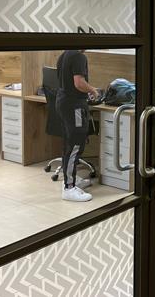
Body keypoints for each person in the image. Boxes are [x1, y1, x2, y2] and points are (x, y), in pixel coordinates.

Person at [56, 50, 99, 202]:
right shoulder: (79, 56)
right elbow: (79, 83)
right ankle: (69, 188)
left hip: (63, 101)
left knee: (69, 144)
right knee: (75, 145)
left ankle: (71, 179)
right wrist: (93, 90)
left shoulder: (65, 54)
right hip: (74, 106)